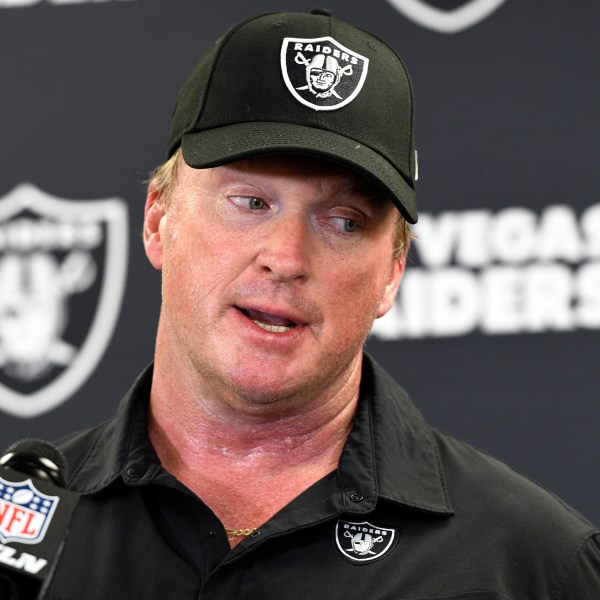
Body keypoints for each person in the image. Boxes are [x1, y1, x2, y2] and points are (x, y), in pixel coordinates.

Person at [40, 9, 598, 599]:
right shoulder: (21, 526)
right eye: (251, 202)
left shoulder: (534, 566)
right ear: (159, 220)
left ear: (392, 272)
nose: (286, 258)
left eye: (343, 222)